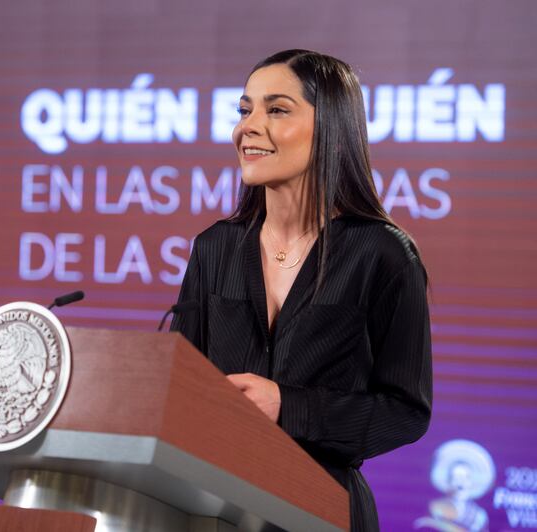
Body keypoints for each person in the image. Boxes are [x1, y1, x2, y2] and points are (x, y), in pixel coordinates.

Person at [171, 49, 432, 531]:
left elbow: (405, 412)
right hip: (211, 510)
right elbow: (180, 387)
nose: (248, 126)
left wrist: (288, 406)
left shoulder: (384, 255)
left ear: (330, 124)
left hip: (322, 512)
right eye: (245, 109)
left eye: (276, 109)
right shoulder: (214, 248)